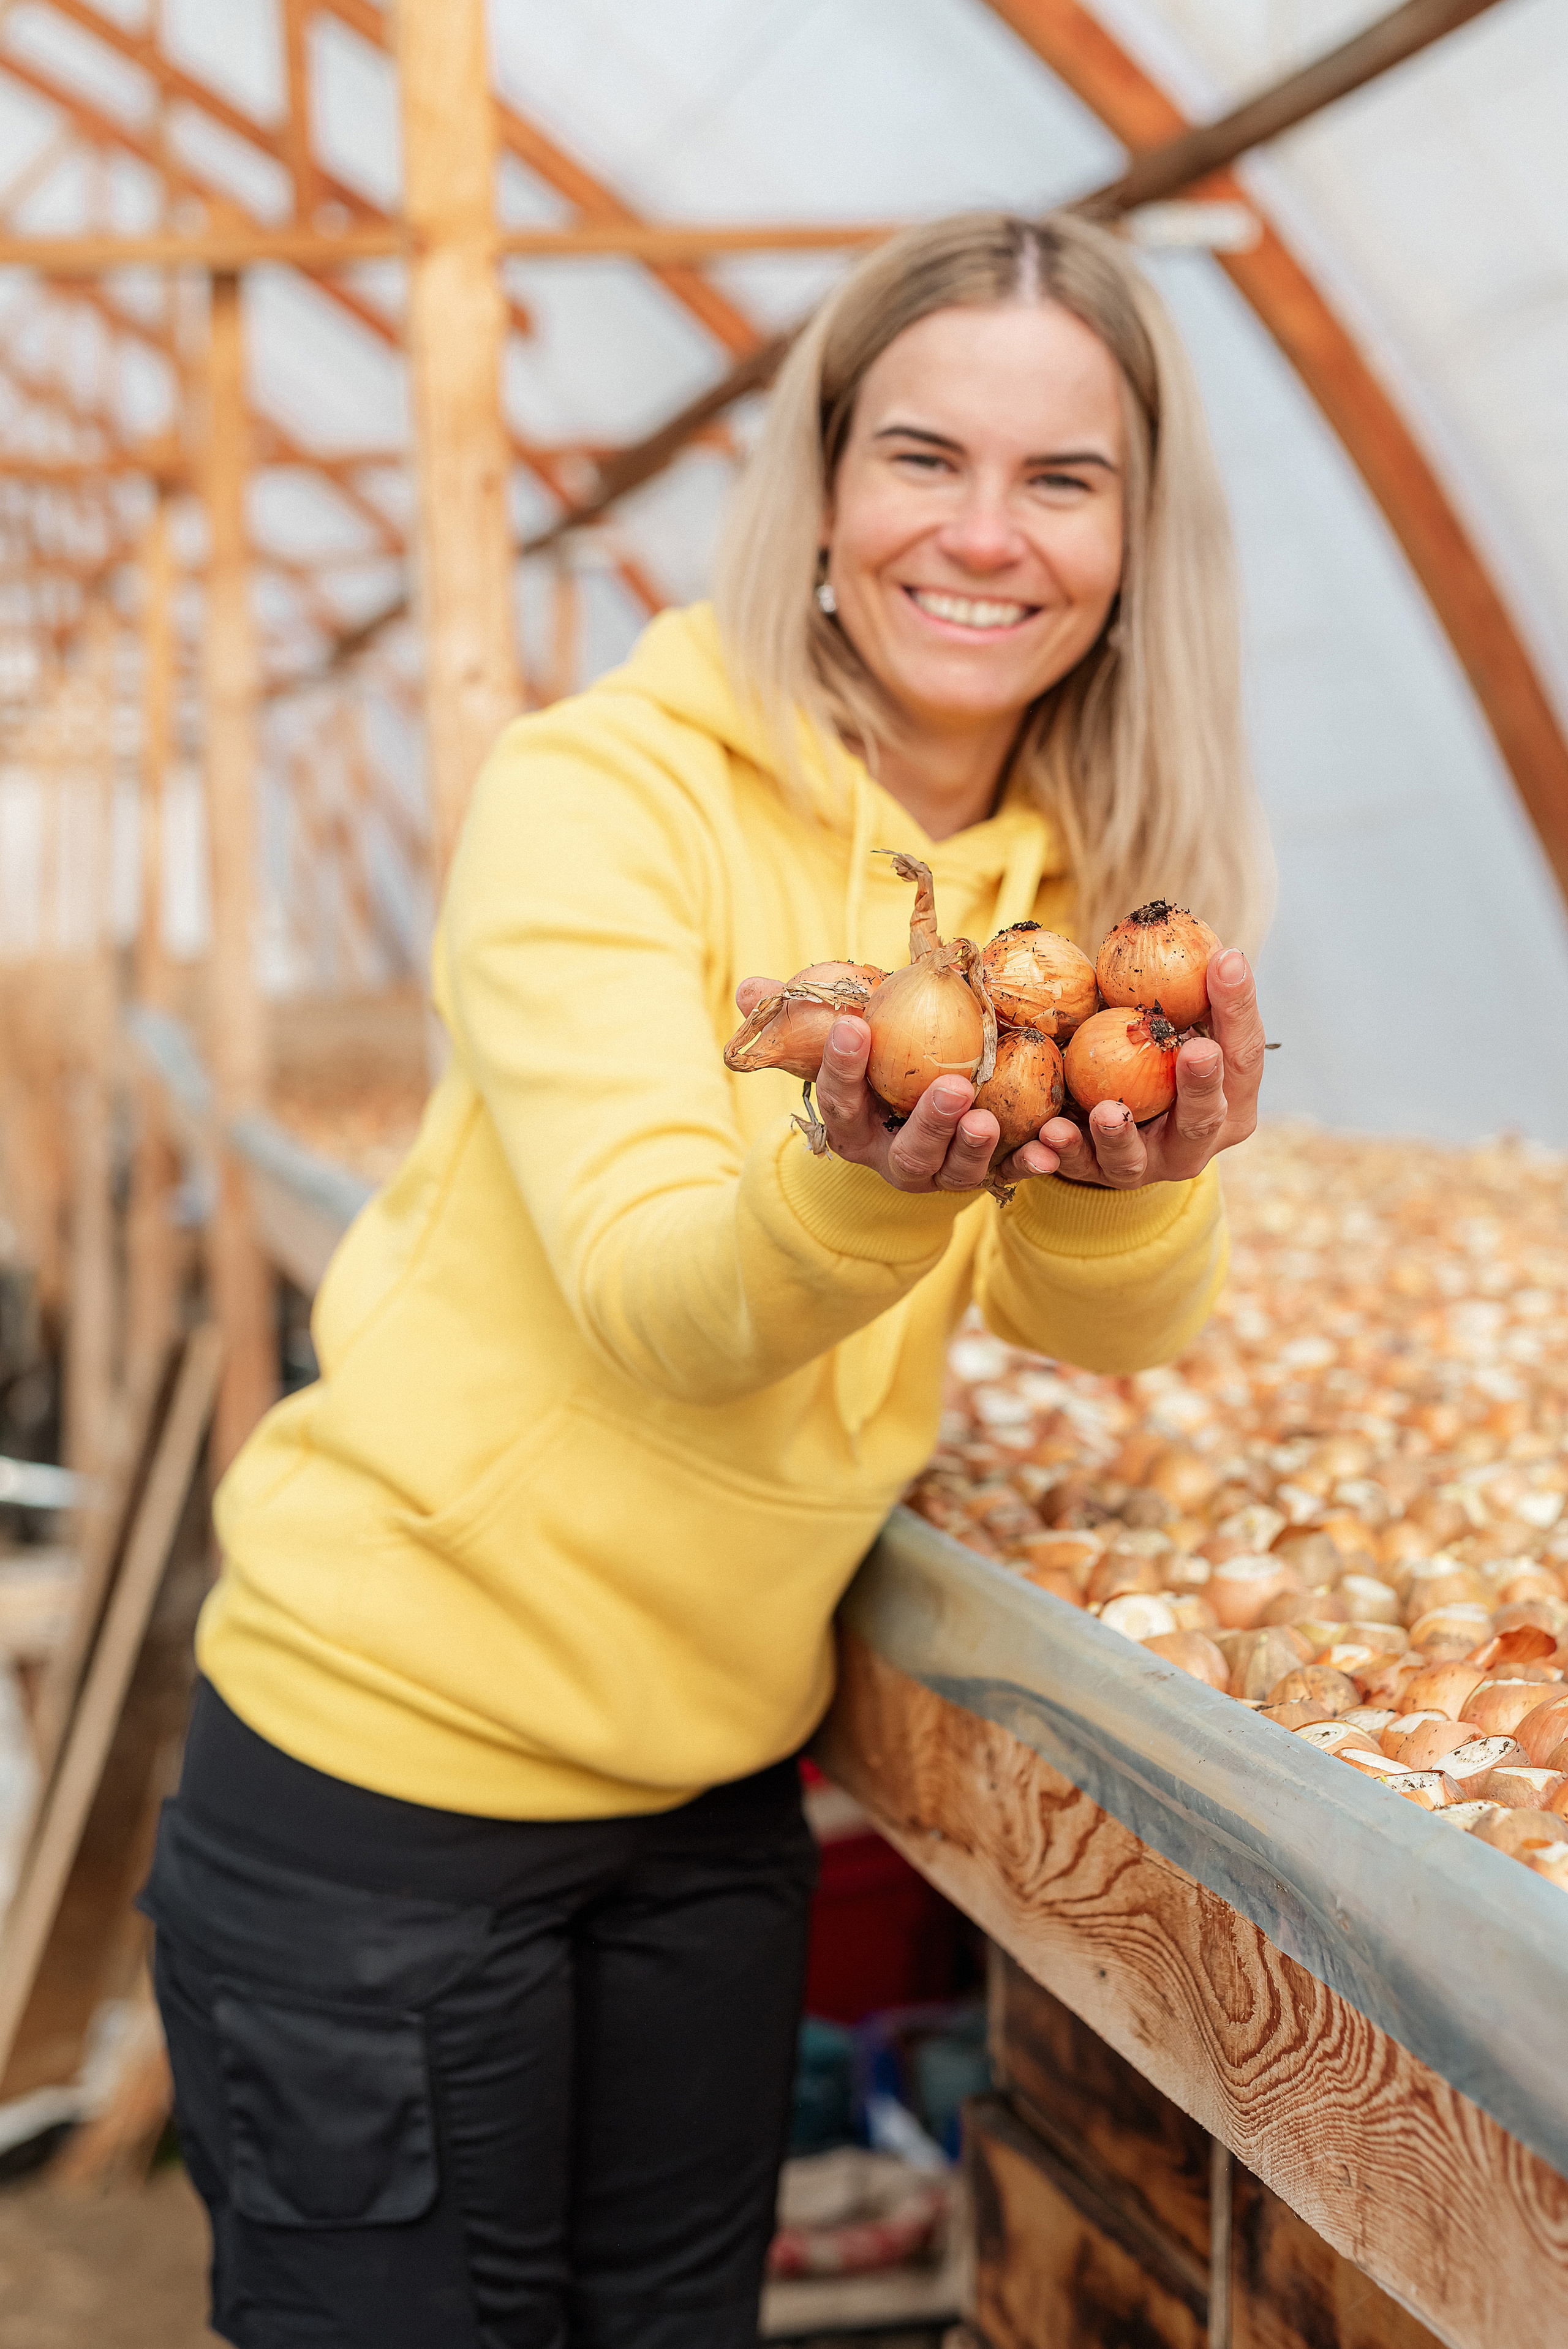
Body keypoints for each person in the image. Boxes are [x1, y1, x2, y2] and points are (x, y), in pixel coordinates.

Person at [141, 210, 1270, 2349]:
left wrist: (1144, 1177)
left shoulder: (1065, 887)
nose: (987, 534)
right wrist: (859, 1170)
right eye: (924, 456)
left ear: (1137, 540)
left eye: (1062, 478)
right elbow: (658, 1290)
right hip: (395, 1776)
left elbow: (1101, 1318)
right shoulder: (600, 793)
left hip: (716, 1791)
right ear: (823, 486)